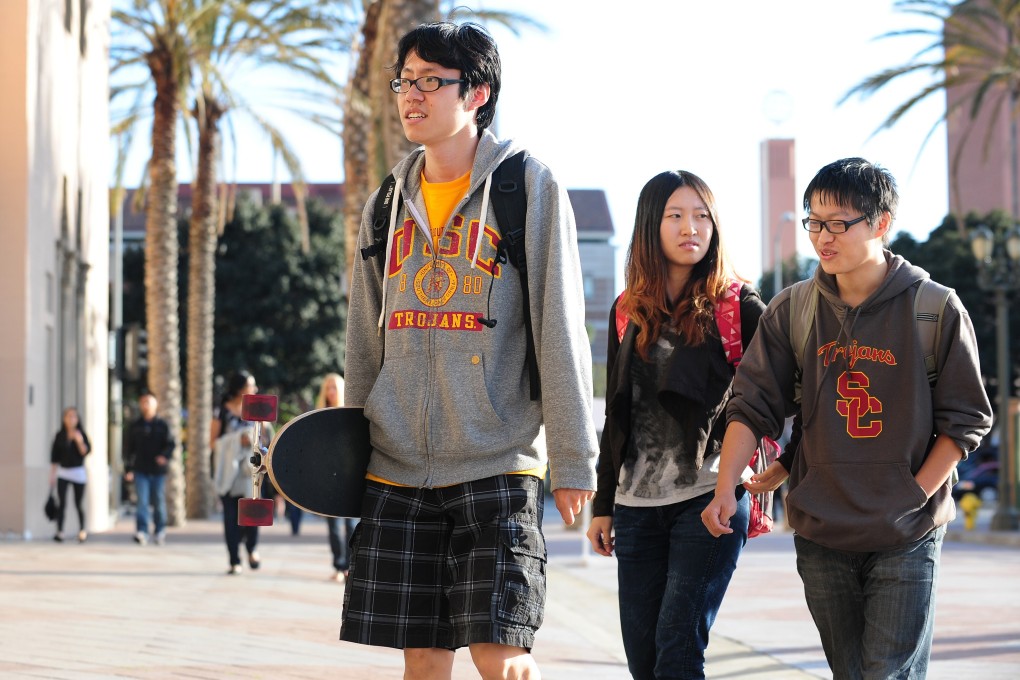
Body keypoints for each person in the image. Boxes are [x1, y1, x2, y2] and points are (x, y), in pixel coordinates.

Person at [343, 21, 598, 678]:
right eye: (406, 81)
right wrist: (352, 451)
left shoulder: (526, 186)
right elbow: (363, 336)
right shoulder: (386, 204)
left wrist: (572, 458)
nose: (412, 96)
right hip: (397, 468)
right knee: (423, 663)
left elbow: (559, 324)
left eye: (432, 81)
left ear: (477, 92)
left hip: (498, 459)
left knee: (502, 657)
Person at [702, 158, 993, 678]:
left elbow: (965, 419)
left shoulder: (935, 309)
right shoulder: (792, 311)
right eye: (814, 221)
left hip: (907, 530)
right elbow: (751, 403)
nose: (822, 236)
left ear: (881, 223)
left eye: (838, 223)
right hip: (822, 531)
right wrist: (727, 485)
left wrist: (912, 495)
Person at [585, 170, 765, 679]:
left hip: (709, 500)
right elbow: (617, 413)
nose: (692, 228)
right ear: (651, 225)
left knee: (678, 648)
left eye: (703, 216)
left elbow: (782, 394)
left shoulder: (740, 307)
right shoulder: (626, 311)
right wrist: (603, 505)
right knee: (645, 661)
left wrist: (767, 472)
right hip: (636, 507)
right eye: (677, 215)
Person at [212, 370, 272, 575]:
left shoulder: (258, 409)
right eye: (250, 385)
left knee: (253, 511)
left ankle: (252, 548)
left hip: (251, 471)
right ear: (239, 388)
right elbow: (213, 443)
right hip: (230, 472)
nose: (254, 389)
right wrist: (237, 441)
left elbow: (264, 440)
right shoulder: (221, 411)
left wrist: (254, 438)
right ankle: (234, 559)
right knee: (230, 517)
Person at [314, 372, 358, 582]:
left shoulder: (347, 413)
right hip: (328, 478)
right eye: (327, 387)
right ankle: (339, 565)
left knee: (351, 524)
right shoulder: (317, 416)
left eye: (334, 387)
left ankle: (351, 566)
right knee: (332, 525)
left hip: (348, 477)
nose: (331, 391)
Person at [124, 391, 175, 546]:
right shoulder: (135, 426)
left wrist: (164, 456)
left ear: (155, 404)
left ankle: (160, 530)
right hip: (140, 470)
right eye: (143, 402)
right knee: (142, 502)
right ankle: (142, 531)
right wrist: (128, 469)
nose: (146, 405)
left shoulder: (162, 425)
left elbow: (171, 444)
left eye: (149, 401)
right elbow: (128, 449)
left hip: (158, 472)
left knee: (159, 501)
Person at [50, 406, 92, 543]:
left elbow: (86, 452)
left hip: (78, 472)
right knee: (62, 503)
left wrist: (79, 441)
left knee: (78, 503)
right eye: (68, 416)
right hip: (63, 472)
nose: (71, 419)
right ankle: (60, 531)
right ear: (64, 419)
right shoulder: (60, 436)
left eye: (74, 416)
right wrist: (52, 475)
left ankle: (82, 531)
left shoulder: (81, 434)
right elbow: (54, 457)